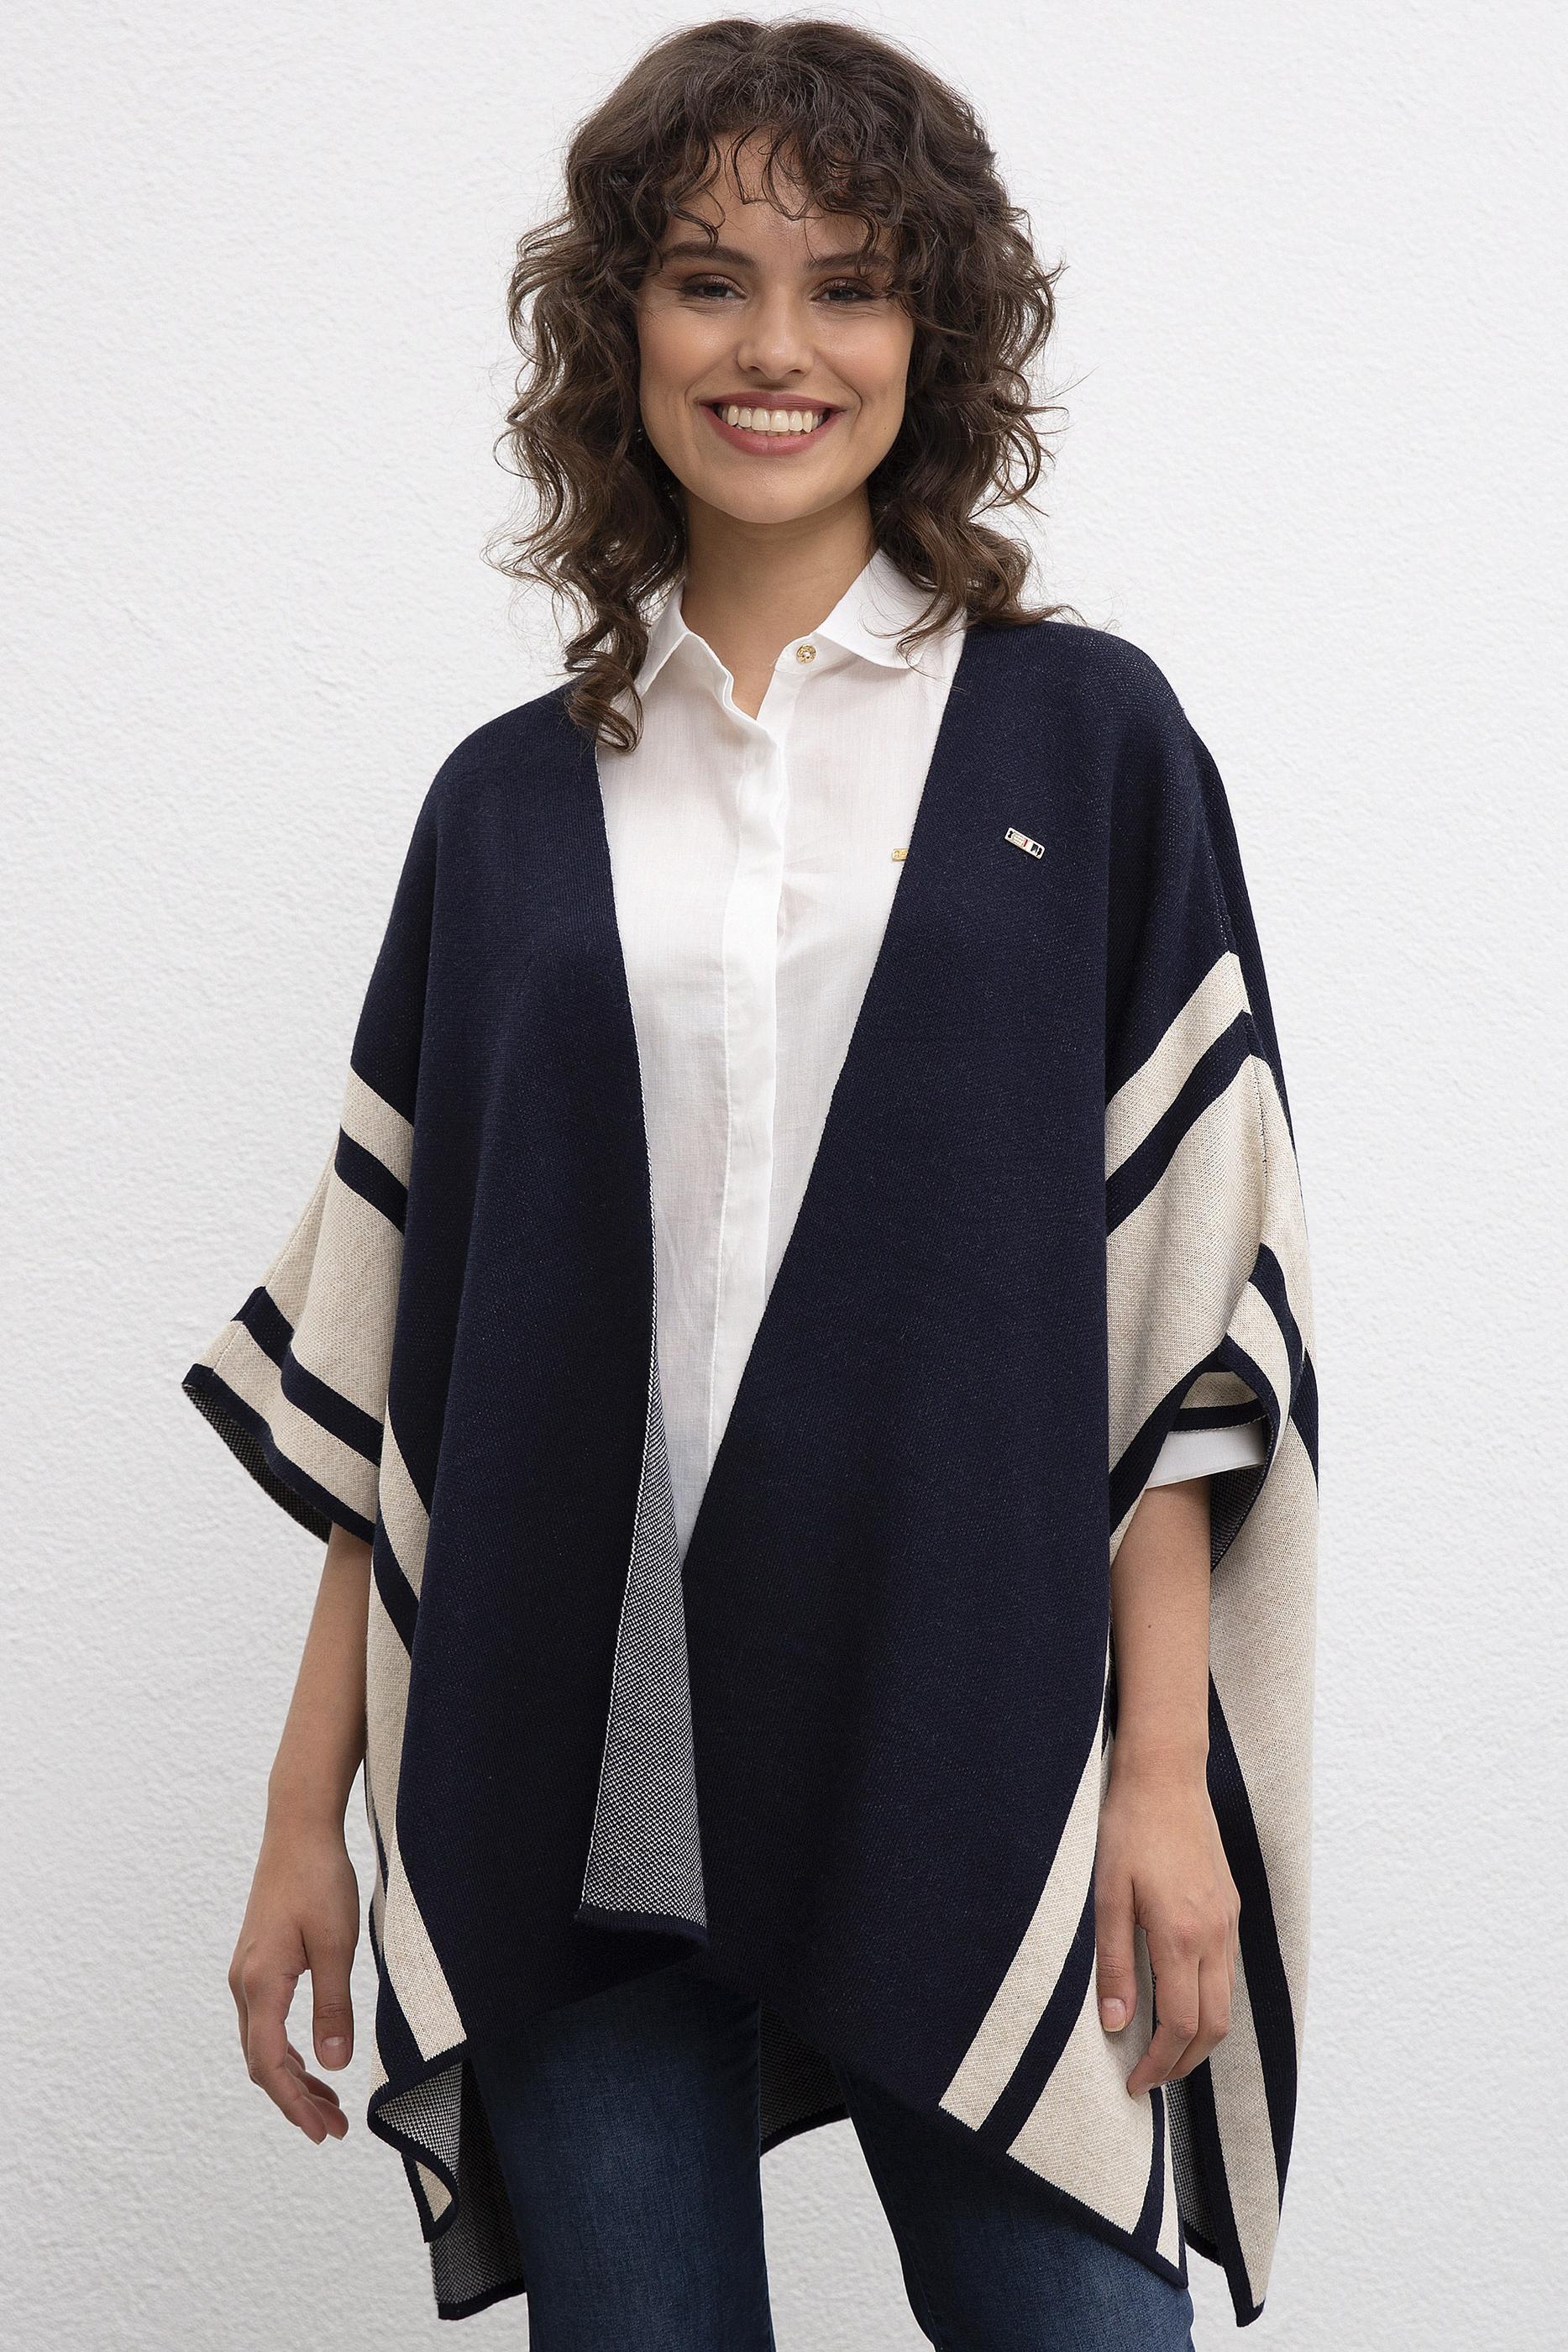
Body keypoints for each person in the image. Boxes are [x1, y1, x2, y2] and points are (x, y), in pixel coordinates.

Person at [185, 19, 1317, 2349]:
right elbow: (408, 1356)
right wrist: (308, 1812)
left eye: (848, 285)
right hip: (567, 1729)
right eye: (709, 280)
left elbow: (1178, 1313)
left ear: (934, 334)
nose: (775, 348)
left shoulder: (1086, 742)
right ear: (619, 330)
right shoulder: (507, 808)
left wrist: (1161, 1776)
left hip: (967, 1714)